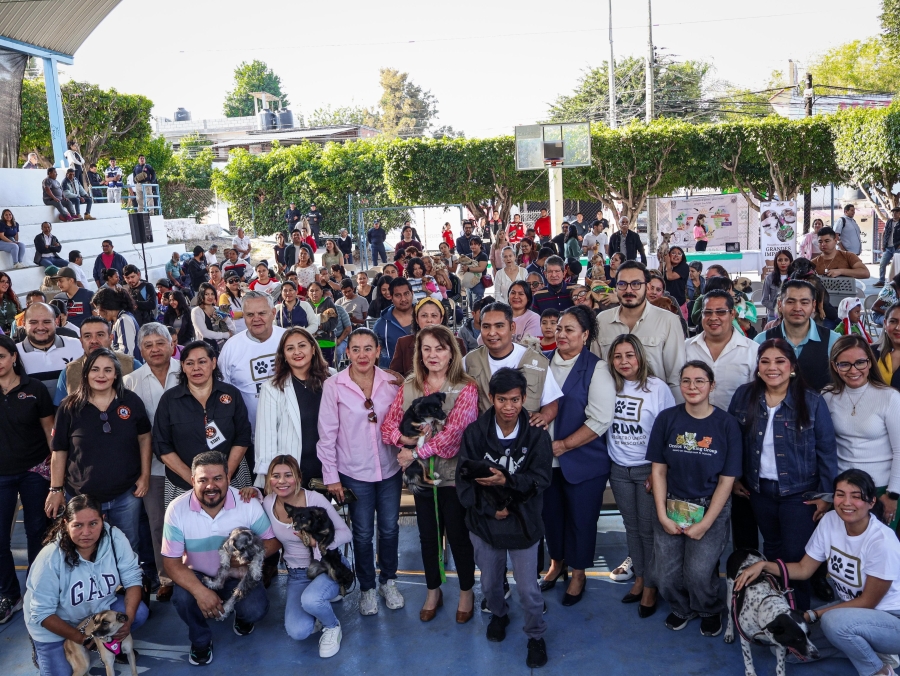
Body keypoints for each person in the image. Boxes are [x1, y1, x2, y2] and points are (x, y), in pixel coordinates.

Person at [734, 469, 900, 676]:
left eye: (856, 496)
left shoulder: (882, 541)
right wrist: (764, 566)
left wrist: (814, 614)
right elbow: (804, 569)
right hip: (851, 613)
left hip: (890, 618)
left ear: (871, 502)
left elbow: (868, 602)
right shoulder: (830, 521)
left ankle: (878, 671)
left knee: (833, 623)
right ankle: (871, 648)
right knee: (792, 651)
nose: (846, 502)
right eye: (840, 494)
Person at [728, 338, 837, 610]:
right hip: (759, 491)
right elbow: (731, 440)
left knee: (795, 556)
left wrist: (826, 495)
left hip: (800, 495)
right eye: (765, 361)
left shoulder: (812, 402)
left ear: (791, 367)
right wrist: (735, 479)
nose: (771, 367)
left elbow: (827, 450)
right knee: (773, 550)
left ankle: (797, 614)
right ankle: (777, 610)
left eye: (779, 361)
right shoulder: (744, 395)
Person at [382, 325, 479, 623]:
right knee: (428, 537)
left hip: (453, 477)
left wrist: (413, 452)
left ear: (452, 352)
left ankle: (466, 591)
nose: (433, 354)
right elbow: (388, 428)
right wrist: (406, 441)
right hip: (422, 480)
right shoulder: (410, 385)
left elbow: (453, 439)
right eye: (427, 349)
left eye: (440, 348)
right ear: (419, 354)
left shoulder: (467, 387)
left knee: (459, 536)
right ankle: (433, 590)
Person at [456, 367, 552, 668]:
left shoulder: (537, 435)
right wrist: (490, 509)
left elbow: (541, 480)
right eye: (502, 400)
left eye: (515, 400)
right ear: (490, 398)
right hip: (485, 523)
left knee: (527, 589)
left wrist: (507, 483)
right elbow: (464, 481)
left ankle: (536, 635)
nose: (509, 407)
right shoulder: (474, 434)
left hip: (523, 523)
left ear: (525, 398)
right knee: (491, 586)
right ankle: (499, 615)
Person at [647, 360, 742, 636]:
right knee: (665, 575)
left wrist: (705, 522)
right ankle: (681, 608)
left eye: (700, 380)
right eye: (686, 381)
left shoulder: (727, 425)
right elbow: (659, 471)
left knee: (699, 573)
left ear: (712, 385)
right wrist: (663, 515)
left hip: (709, 504)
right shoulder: (667, 419)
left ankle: (709, 608)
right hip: (672, 503)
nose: (692, 386)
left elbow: (727, 480)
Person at [318, 328, 405, 616]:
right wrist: (331, 477)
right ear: (347, 352)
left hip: (389, 468)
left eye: (368, 348)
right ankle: (367, 588)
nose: (362, 355)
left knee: (390, 528)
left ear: (378, 351)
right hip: (354, 471)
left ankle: (388, 580)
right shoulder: (334, 385)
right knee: (364, 532)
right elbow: (327, 435)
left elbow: (403, 421)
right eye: (355, 349)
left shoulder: (392, 382)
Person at [162, 451, 278, 665]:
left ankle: (242, 617)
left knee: (255, 610)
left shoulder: (247, 503)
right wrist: (200, 592)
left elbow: (273, 542)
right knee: (182, 599)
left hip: (237, 576)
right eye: (202, 480)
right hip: (197, 574)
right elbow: (171, 562)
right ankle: (200, 641)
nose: (210, 486)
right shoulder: (177, 508)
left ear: (228, 478)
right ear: (192, 481)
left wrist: (247, 557)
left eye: (217, 478)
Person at [540, 306, 615, 607]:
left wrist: (562, 446)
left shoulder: (596, 368)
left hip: (583, 462)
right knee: (551, 517)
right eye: (558, 328)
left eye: (569, 329)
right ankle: (557, 564)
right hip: (547, 463)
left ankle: (579, 572)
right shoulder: (541, 364)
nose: (561, 334)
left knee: (582, 519)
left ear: (584, 335)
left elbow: (600, 419)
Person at [25, 495, 149, 676]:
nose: (86, 532)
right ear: (66, 523)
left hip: (95, 614)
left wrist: (126, 622)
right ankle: (43, 647)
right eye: (78, 525)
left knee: (138, 613)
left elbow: (133, 579)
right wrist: (81, 639)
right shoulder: (50, 557)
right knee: (64, 673)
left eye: (93, 523)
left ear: (103, 520)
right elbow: (43, 613)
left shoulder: (115, 539)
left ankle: (108, 644)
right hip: (53, 623)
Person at [239, 456, 349, 657]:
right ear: (268, 480)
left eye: (288, 475)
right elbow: (256, 502)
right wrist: (252, 491)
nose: (282, 481)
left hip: (327, 566)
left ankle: (332, 626)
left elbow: (345, 533)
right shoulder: (268, 503)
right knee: (298, 631)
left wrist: (317, 542)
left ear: (298, 477)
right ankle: (318, 602)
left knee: (311, 600)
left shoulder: (314, 500)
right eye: (276, 476)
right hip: (297, 574)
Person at [47, 348, 151, 554]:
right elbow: (59, 451)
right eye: (95, 369)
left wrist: (145, 475)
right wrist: (55, 489)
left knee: (128, 548)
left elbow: (145, 437)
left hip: (126, 495)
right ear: (85, 373)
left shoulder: (131, 401)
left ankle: (127, 587)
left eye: (107, 370)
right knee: (84, 550)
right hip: (81, 496)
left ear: (116, 375)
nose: (101, 375)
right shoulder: (69, 407)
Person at [604, 335, 674, 617]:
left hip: (648, 469)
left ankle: (651, 585)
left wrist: (660, 471)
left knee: (649, 530)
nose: (624, 361)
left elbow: (668, 431)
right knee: (631, 527)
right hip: (619, 469)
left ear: (640, 357)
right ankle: (641, 577)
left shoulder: (656, 388)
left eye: (629, 355)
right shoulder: (609, 385)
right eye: (618, 356)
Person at [154, 341, 253, 507]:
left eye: (202, 361)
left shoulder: (230, 394)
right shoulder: (170, 400)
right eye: (190, 363)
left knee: (236, 530)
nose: (196, 368)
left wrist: (224, 476)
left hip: (231, 478)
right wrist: (194, 480)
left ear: (213, 363)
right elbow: (161, 445)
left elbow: (243, 436)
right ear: (183, 367)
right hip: (183, 484)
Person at [124, 323, 182, 602]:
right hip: (154, 468)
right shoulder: (130, 382)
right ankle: (167, 576)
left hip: (190, 464)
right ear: (140, 350)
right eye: (148, 345)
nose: (155, 349)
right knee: (160, 524)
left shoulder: (187, 371)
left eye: (160, 343)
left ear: (172, 344)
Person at [0, 335, 54, 623]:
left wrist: (54, 466)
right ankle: (9, 595)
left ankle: (37, 588)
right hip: (1, 475)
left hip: (35, 471)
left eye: (1, 356)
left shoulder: (34, 389)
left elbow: (50, 431)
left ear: (13, 357)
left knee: (37, 532)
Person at [823, 335, 900, 531]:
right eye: (845, 364)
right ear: (834, 366)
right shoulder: (827, 396)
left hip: (881, 490)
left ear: (869, 362)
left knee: (878, 554)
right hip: (842, 490)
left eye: (860, 362)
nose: (854, 370)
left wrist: (893, 495)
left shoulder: (889, 397)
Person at [593, 261, 685, 398]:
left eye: (636, 284)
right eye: (622, 284)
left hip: (655, 410)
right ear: (616, 287)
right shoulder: (602, 320)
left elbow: (676, 378)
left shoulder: (669, 321)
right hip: (611, 409)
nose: (629, 290)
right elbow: (597, 372)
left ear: (647, 287)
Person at [255, 327, 331, 489]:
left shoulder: (332, 379)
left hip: (329, 470)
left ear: (313, 348)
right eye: (290, 348)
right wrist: (271, 478)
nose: (297, 352)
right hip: (291, 474)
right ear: (284, 355)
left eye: (302, 346)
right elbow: (266, 437)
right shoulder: (272, 388)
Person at [465, 302, 563, 422]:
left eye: (499, 326)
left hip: (525, 436)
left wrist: (544, 417)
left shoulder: (536, 361)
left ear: (512, 327)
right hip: (484, 437)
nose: (491, 332)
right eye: (486, 327)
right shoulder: (469, 360)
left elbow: (551, 401)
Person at [217, 291, 286, 439]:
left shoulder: (288, 339)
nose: (256, 319)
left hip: (290, 431)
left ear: (273, 313)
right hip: (250, 436)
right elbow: (222, 389)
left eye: (262, 313)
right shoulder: (231, 347)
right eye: (249, 315)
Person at [755, 279, 840, 390]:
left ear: (814, 305)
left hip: (820, 407)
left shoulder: (833, 341)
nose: (797, 308)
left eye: (804, 302)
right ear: (780, 304)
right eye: (790, 302)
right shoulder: (761, 341)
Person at [683, 290, 758, 408]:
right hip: (692, 423)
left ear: (732, 314)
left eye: (721, 312)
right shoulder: (686, 348)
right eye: (707, 312)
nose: (713, 317)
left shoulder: (752, 351)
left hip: (738, 424)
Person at [53, 315, 135, 404]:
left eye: (100, 335)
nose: (94, 340)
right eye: (88, 336)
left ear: (111, 338)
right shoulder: (69, 372)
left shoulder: (131, 365)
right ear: (81, 341)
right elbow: (60, 410)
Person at [16, 302, 84, 394]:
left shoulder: (77, 345)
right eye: (33, 322)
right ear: (24, 324)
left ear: (56, 322)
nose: (40, 327)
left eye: (46, 322)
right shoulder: (15, 353)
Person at [389, 297, 467, 376]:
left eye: (434, 315)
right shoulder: (404, 343)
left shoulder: (457, 343)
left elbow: (461, 373)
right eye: (424, 315)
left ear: (441, 319)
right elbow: (395, 376)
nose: (429, 320)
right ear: (416, 319)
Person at [374, 277, 414, 368]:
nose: (403, 299)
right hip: (394, 377)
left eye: (406, 294)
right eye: (398, 295)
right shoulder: (381, 325)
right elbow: (376, 353)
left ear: (412, 293)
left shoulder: (425, 317)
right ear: (391, 297)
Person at [91, 287, 141, 360]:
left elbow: (126, 352)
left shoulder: (123, 320)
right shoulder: (116, 321)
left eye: (97, 309)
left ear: (105, 306)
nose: (97, 313)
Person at [190, 282, 235, 352]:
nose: (210, 297)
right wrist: (226, 335)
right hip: (205, 349)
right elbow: (204, 333)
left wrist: (226, 319)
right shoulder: (196, 311)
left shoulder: (219, 309)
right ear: (201, 295)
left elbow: (233, 331)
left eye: (212, 294)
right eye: (206, 294)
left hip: (224, 348)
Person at [306, 282, 340, 365]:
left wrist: (321, 326)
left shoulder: (328, 303)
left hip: (327, 342)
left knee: (327, 369)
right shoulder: (305, 305)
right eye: (311, 291)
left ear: (322, 292)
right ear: (308, 293)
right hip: (311, 343)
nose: (314, 293)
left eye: (317, 290)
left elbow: (334, 321)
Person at [761, 249, 793, 322]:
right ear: (776, 262)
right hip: (774, 316)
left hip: (791, 315)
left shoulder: (795, 277)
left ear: (790, 261)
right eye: (780, 260)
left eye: (786, 260)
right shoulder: (769, 278)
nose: (783, 263)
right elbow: (764, 300)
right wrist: (777, 307)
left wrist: (787, 307)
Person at [875, 207, 900, 287]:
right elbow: (884, 233)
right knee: (882, 263)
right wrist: (883, 245)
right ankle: (881, 281)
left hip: (897, 247)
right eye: (893, 213)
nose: (894, 214)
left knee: (897, 266)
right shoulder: (889, 222)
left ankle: (897, 283)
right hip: (888, 247)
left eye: (896, 212)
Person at [663, 246, 690, 315]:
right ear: (669, 255)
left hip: (679, 303)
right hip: (666, 302)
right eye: (673, 253)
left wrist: (668, 263)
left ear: (682, 256)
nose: (676, 256)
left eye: (679, 254)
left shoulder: (684, 266)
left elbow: (670, 277)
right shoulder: (666, 267)